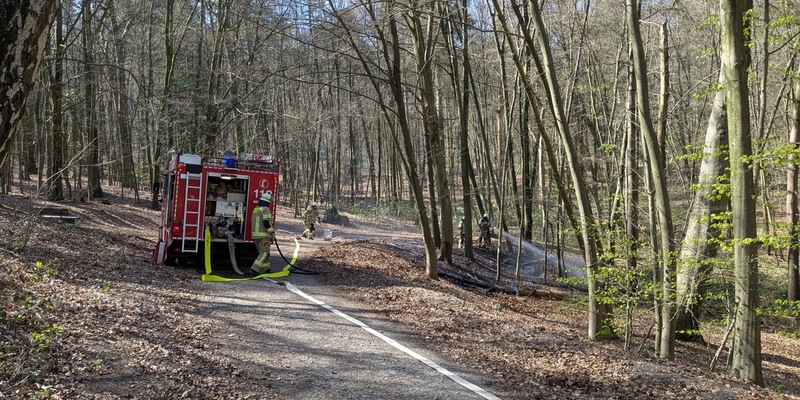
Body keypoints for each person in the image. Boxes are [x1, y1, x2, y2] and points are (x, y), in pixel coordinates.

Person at [250, 192, 274, 274]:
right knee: (265, 253)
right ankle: (254, 269)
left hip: (255, 235)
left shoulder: (256, 209)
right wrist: (272, 233)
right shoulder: (265, 209)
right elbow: (266, 223)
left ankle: (266, 269)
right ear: (268, 202)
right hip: (264, 235)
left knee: (262, 253)